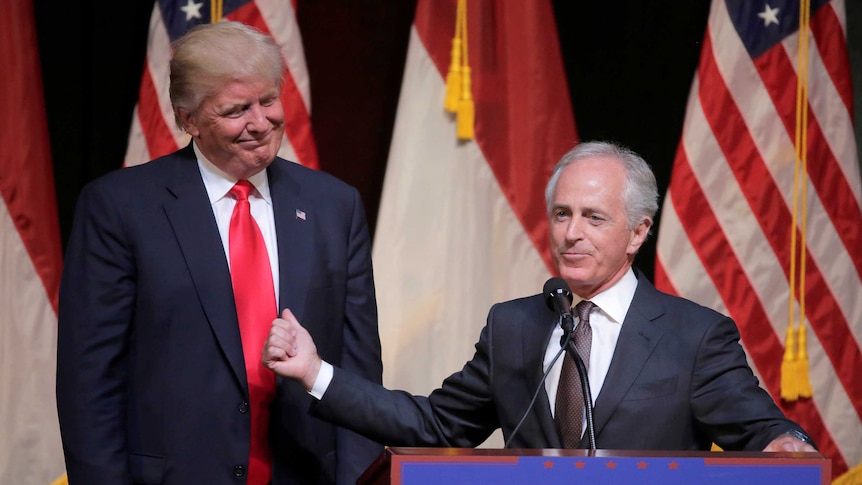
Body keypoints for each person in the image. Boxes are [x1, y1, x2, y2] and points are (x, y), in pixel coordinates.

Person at [262, 140, 816, 453]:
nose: (571, 233)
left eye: (594, 217)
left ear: (639, 233)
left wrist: (786, 443)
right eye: (561, 214)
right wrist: (316, 373)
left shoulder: (693, 336)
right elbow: (436, 426)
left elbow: (761, 430)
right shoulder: (515, 327)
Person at [56, 21, 382, 484]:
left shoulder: (334, 205)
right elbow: (89, 382)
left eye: (268, 101)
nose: (260, 122)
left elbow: (358, 367)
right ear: (187, 119)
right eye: (236, 109)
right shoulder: (119, 208)